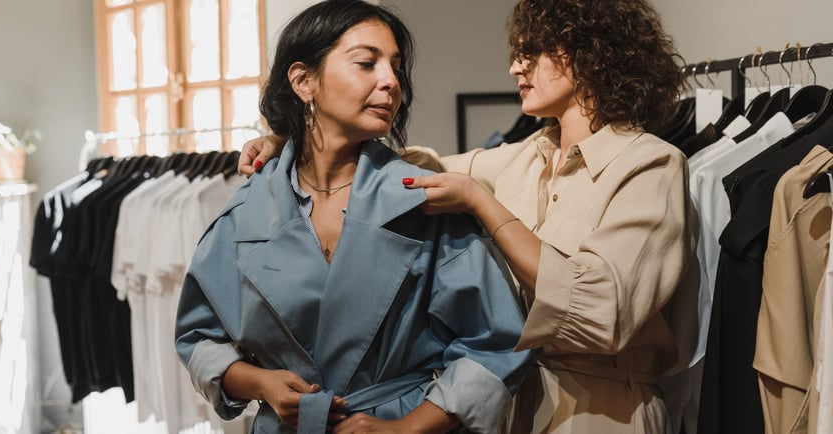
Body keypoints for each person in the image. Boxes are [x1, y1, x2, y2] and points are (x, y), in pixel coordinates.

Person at [238, 0, 700, 432]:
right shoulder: (525, 158)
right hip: (509, 405)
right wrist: (294, 139)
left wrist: (484, 204)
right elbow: (408, 169)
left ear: (591, 53)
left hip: (603, 412)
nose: (516, 66)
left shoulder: (650, 165)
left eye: (533, 52)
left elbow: (605, 311)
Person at [174, 1, 532, 433]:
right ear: (304, 80)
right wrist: (259, 383)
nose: (390, 82)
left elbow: (495, 341)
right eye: (367, 63)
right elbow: (198, 337)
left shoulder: (426, 202)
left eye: (396, 67)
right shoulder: (245, 214)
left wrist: (407, 429)